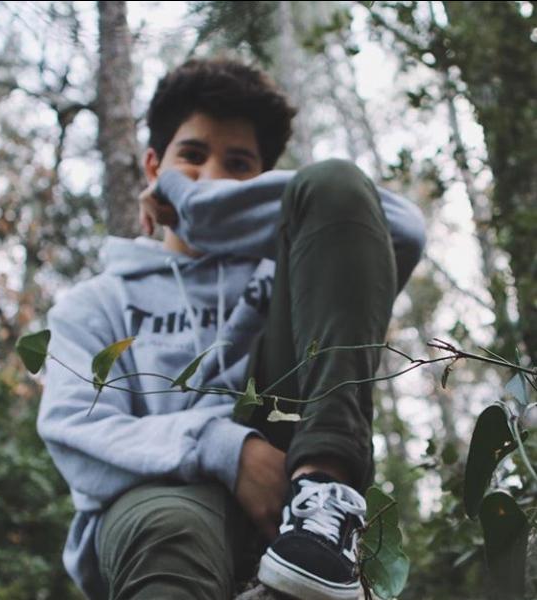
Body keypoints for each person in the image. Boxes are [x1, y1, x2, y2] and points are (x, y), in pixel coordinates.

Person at [37, 57, 426, 600]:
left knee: (335, 182)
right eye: (192, 157)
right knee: (170, 528)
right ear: (154, 168)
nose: (214, 176)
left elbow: (400, 228)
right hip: (165, 498)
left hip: (297, 484)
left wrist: (200, 208)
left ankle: (326, 493)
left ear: (261, 183)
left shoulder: (288, 273)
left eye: (238, 165)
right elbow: (73, 427)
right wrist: (226, 450)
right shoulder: (97, 303)